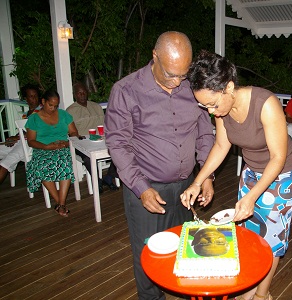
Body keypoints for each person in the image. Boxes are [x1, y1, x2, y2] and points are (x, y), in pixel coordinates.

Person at [181, 50, 292, 300]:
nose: (211, 112)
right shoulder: (221, 111)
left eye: (213, 104)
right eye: (204, 105)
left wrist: (253, 197)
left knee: (269, 238)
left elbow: (278, 158)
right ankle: (248, 287)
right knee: (247, 233)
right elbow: (221, 146)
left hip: (283, 176)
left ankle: (262, 295)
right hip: (251, 173)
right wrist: (196, 182)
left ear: (228, 87)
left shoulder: (265, 103)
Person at [104, 31, 215, 300]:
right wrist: (141, 188)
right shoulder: (126, 90)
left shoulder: (191, 85)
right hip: (145, 187)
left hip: (187, 186)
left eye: (183, 74)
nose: (178, 82)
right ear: (155, 57)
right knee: (149, 254)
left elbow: (205, 134)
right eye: (170, 74)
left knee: (183, 247)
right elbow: (118, 144)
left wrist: (206, 175)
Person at [25, 90, 79, 217]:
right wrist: (46, 146)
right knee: (39, 167)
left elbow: (74, 133)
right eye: (51, 105)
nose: (53, 108)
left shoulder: (64, 115)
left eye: (56, 105)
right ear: (43, 102)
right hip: (43, 149)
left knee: (65, 163)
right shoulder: (34, 119)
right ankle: (60, 203)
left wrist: (66, 143)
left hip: (63, 147)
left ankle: (61, 204)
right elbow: (31, 141)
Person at [66, 82, 118, 192]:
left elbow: (106, 124)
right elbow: (71, 133)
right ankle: (97, 181)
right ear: (75, 95)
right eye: (79, 93)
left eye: (84, 92)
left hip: (101, 139)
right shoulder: (70, 111)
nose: (82, 95)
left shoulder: (96, 106)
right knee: (87, 158)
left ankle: (109, 177)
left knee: (119, 150)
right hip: (82, 143)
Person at [0, 84, 42, 186]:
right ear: (25, 99)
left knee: (7, 161)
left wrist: (18, 137)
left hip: (31, 144)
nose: (34, 99)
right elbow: (23, 131)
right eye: (31, 96)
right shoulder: (26, 114)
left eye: (36, 96)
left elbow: (37, 131)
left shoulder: (42, 111)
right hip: (21, 141)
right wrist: (13, 138)